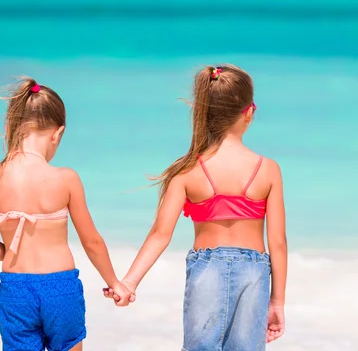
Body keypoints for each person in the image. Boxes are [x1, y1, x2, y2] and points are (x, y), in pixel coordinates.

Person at [106, 65, 288, 350]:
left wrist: (129, 282)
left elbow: (160, 234)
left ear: (206, 114)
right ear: (249, 112)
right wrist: (277, 301)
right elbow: (277, 242)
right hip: (254, 272)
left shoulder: (188, 170)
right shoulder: (268, 170)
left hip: (207, 268)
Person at [0, 77, 134, 351]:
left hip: (16, 289)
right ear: (57, 134)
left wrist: (12, 250)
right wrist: (114, 282)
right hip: (60, 287)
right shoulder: (66, 179)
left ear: (13, 125)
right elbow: (91, 241)